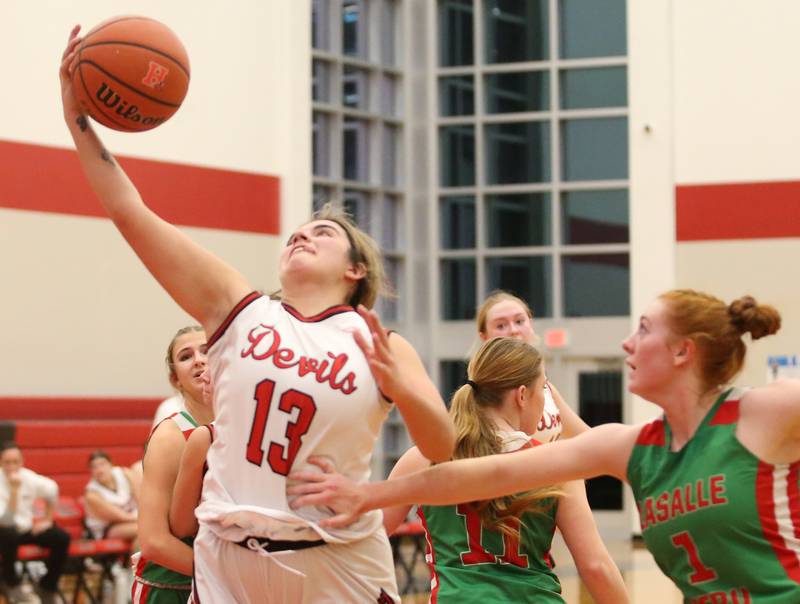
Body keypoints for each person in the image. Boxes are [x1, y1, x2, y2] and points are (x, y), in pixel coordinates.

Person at [60, 27, 454, 604]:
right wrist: (76, 118)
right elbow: (128, 210)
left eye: (322, 233)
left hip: (334, 558)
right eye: (297, 231)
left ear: (355, 271)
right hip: (229, 559)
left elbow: (442, 446)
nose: (302, 235)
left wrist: (405, 390)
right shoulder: (237, 308)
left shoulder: (378, 342)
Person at [290, 289, 800, 603]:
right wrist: (367, 495)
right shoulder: (626, 445)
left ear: (684, 351)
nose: (625, 342)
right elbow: (478, 475)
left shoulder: (766, 412)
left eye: (642, 329)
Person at [379, 337, 628, 602]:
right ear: (522, 395)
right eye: (543, 389)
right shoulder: (558, 468)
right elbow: (596, 568)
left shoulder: (420, 460)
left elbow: (369, 537)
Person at [133, 326, 212, 604]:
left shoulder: (246, 425)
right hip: (171, 589)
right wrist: (217, 574)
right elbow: (153, 541)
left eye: (206, 350)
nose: (199, 359)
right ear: (175, 379)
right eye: (186, 356)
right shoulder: (171, 436)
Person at [476, 291, 589, 442]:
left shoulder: (546, 387)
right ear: (484, 337)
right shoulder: (481, 392)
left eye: (519, 321)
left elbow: (585, 436)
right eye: (501, 325)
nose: (513, 330)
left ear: (531, 325)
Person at [0, 442, 70, 604]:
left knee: (61, 538)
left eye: (15, 462)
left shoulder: (29, 477)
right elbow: (7, 520)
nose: (12, 466)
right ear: (1, 462)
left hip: (25, 529)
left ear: (22, 461)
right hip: (3, 532)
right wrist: (15, 490)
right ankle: (12, 583)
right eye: (7, 462)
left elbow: (53, 489)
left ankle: (47, 586)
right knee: (9, 533)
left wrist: (48, 519)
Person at [84, 450, 138, 544]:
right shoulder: (92, 494)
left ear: (111, 464)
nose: (99, 470)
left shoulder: (125, 473)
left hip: (134, 520)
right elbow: (121, 516)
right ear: (91, 471)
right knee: (146, 529)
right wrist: (148, 521)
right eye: (94, 467)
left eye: (102, 464)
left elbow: (142, 498)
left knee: (142, 538)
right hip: (109, 528)